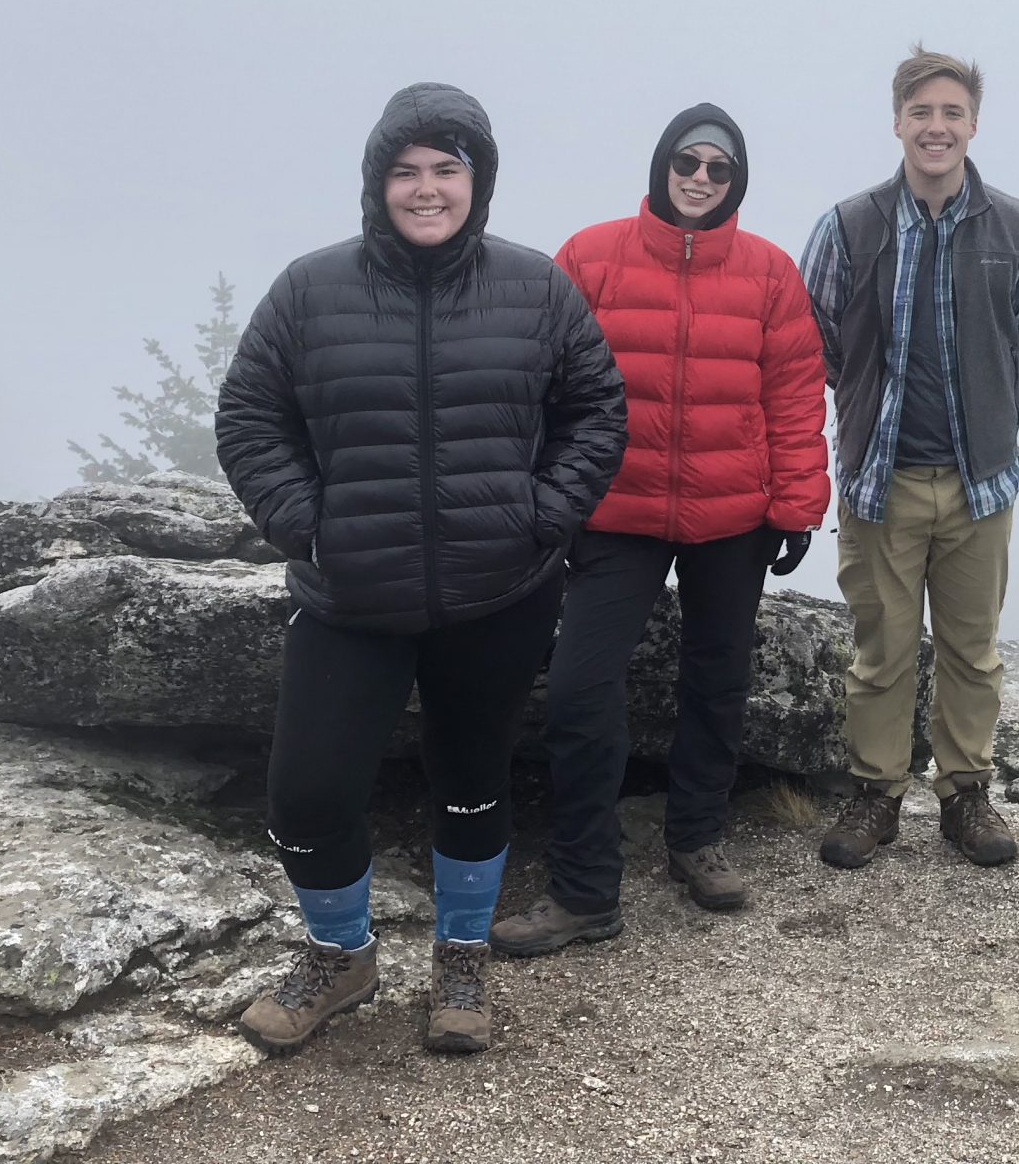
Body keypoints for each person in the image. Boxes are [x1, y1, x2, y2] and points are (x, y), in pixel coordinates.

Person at [215, 82, 628, 1058]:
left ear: (477, 181)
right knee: (308, 792)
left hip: (497, 595)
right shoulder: (310, 290)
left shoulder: (535, 289)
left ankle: (460, 956)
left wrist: (542, 515)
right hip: (350, 598)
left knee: (473, 783)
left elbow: (595, 411)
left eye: (448, 169)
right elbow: (249, 419)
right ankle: (339, 955)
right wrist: (303, 525)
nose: (427, 188)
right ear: (376, 182)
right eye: (406, 171)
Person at [492, 104, 829, 955]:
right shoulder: (590, 255)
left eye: (721, 168)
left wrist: (796, 505)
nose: (702, 178)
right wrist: (547, 497)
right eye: (689, 160)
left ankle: (695, 840)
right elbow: (543, 382)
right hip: (616, 509)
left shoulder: (768, 272)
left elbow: (794, 393)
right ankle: (584, 889)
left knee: (717, 679)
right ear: (660, 165)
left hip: (732, 512)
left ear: (737, 182)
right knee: (577, 689)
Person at [798, 45, 1019, 871]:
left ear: (973, 125)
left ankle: (965, 795)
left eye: (951, 113)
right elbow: (816, 334)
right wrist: (867, 411)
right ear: (898, 122)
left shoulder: (1014, 226)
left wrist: (986, 400)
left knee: (973, 649)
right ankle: (877, 794)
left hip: (980, 482)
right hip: (880, 480)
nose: (936, 127)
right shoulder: (850, 224)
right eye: (922, 112)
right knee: (881, 651)